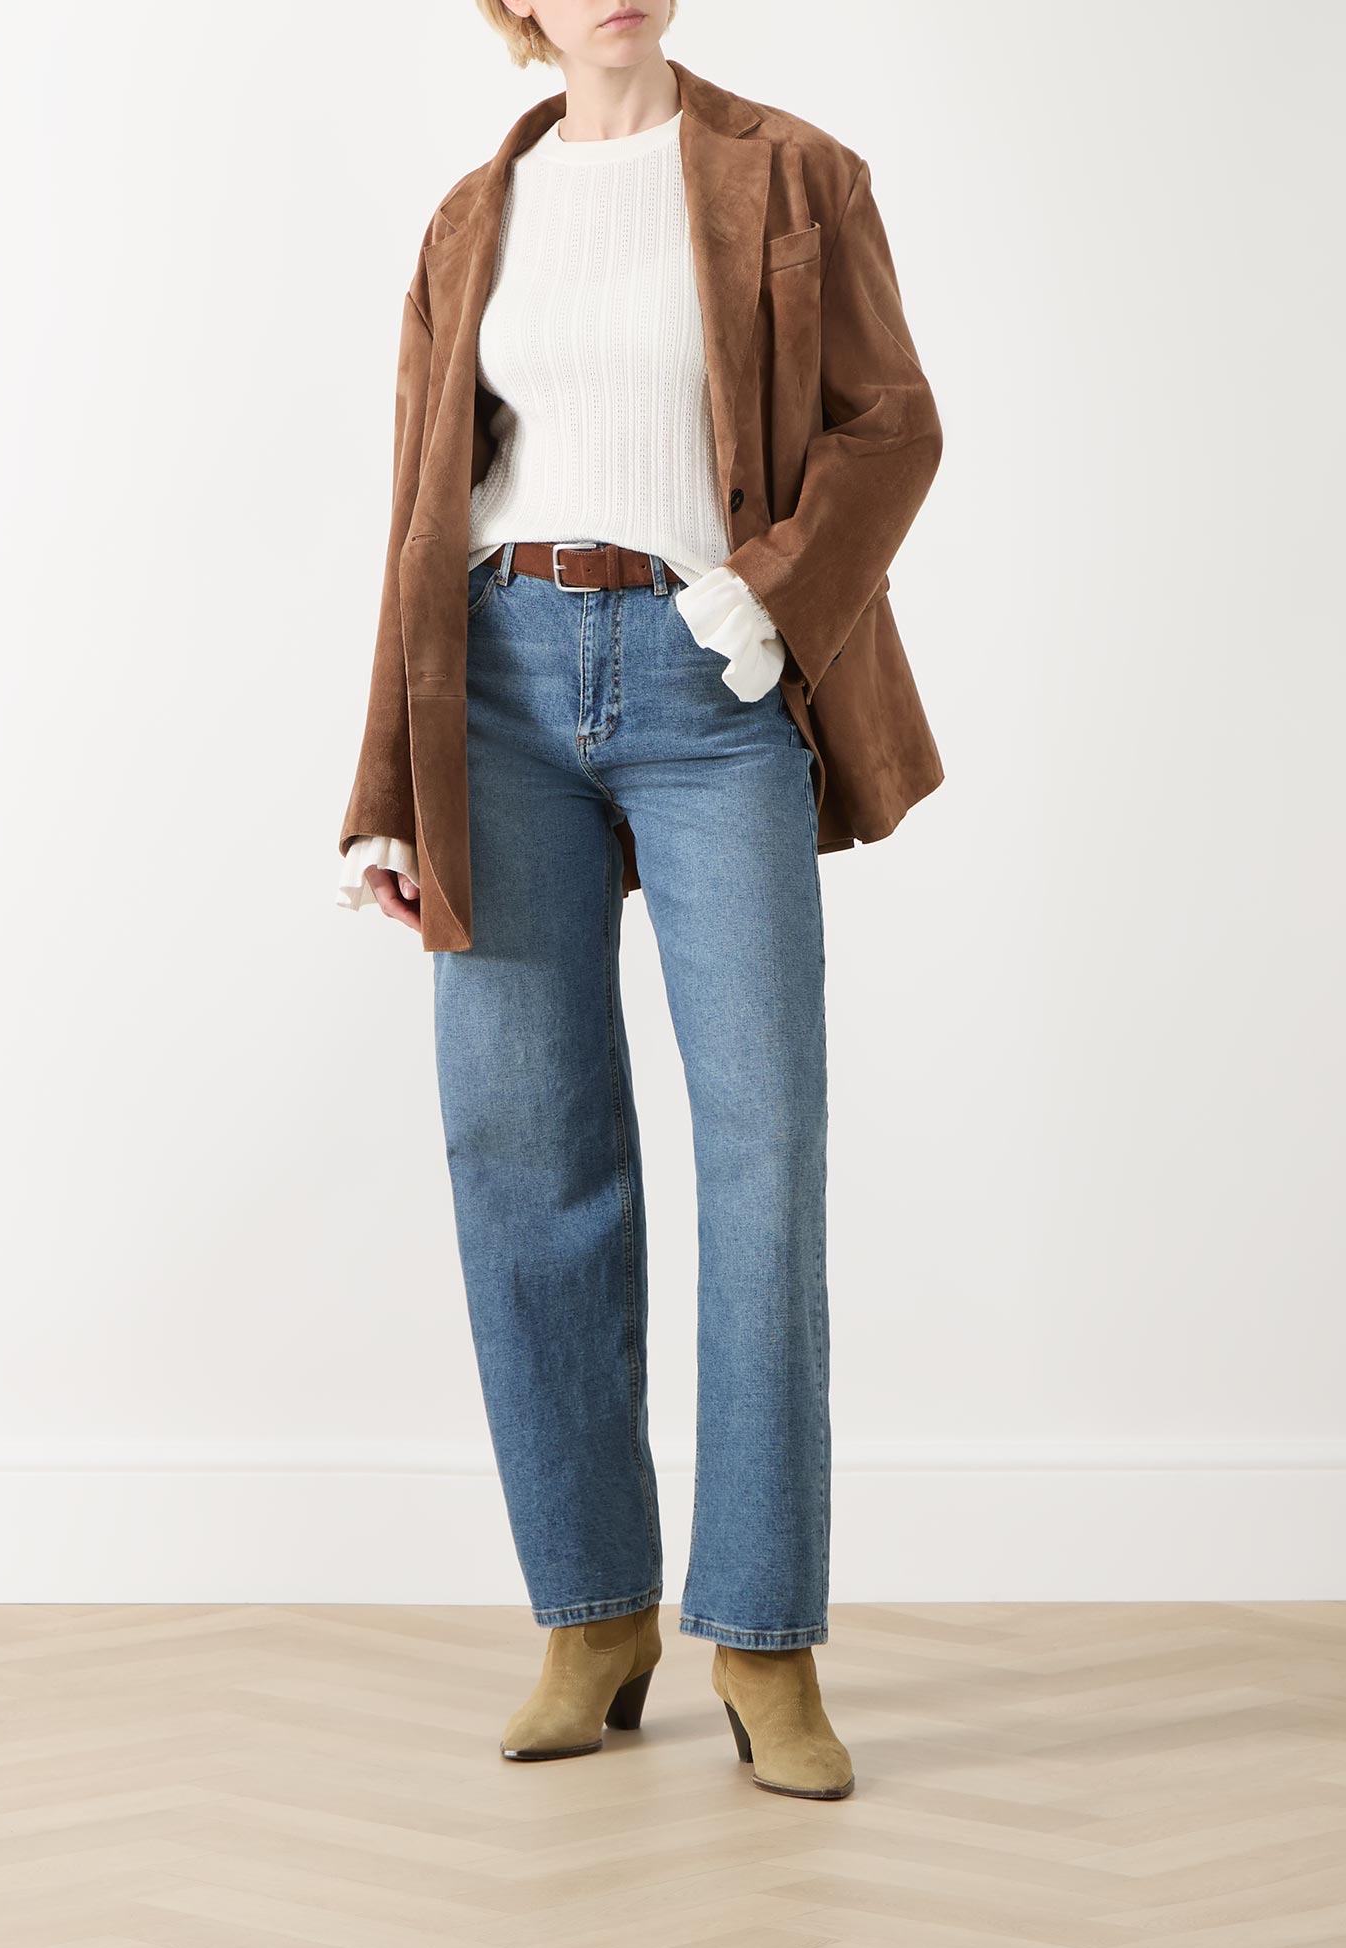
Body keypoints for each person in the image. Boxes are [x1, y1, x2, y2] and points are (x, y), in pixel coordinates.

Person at [337, 0, 945, 1802]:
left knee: (762, 1151)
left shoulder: (796, 176)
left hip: (713, 679)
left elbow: (892, 426)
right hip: (498, 685)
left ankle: (763, 1639)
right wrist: (387, 786)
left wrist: (771, 595)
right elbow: (419, 509)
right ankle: (594, 1615)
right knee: (525, 1153)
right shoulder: (470, 219)